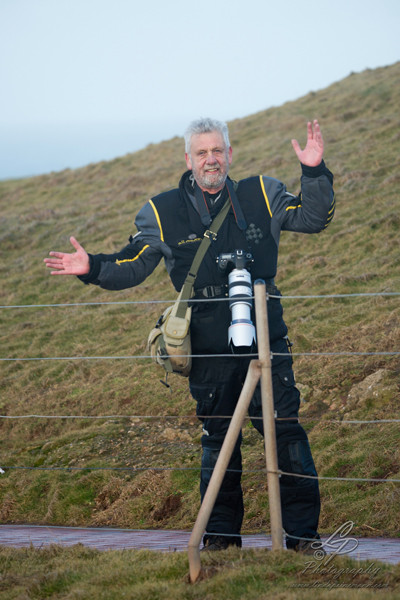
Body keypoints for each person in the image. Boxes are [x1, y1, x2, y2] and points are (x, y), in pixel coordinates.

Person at [44, 117, 335, 552]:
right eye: (201, 152)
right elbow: (136, 263)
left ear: (230, 154)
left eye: (217, 150)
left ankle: (303, 540)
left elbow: (315, 217)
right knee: (220, 443)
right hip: (209, 353)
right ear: (188, 159)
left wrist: (313, 172)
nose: (210, 159)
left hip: (267, 341)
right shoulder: (162, 211)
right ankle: (219, 543)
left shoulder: (262, 194)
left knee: (287, 435)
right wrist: (93, 268)